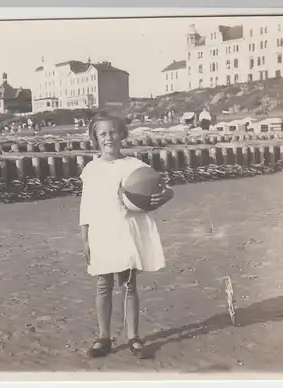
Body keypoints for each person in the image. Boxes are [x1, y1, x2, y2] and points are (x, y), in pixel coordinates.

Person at [79, 110, 174, 359]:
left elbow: (164, 189)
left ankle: (133, 337)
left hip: (127, 230)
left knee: (129, 285)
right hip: (101, 231)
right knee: (103, 285)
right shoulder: (91, 169)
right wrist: (84, 236)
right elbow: (86, 205)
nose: (108, 137)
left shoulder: (135, 166)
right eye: (102, 133)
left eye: (113, 132)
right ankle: (104, 337)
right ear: (95, 138)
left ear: (122, 133)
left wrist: (164, 196)